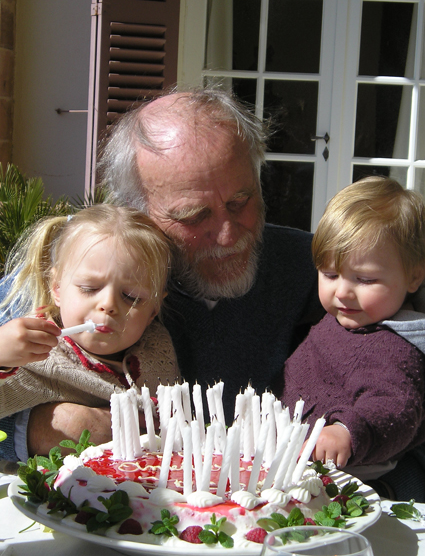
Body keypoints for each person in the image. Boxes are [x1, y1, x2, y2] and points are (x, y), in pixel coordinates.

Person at [0, 87, 323, 462]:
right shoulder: (84, 266)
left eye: (240, 201)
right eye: (193, 215)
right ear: (137, 211)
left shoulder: (314, 267)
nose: (228, 234)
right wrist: (37, 431)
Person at [281, 176, 425, 500]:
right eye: (330, 274)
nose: (342, 291)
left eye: (365, 279)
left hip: (353, 481)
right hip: (297, 457)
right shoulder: (346, 321)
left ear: (414, 275)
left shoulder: (393, 347)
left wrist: (347, 431)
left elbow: (395, 408)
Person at [0, 204, 179, 456]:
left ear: (153, 310)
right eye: (89, 288)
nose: (108, 305)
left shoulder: (157, 346)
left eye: (131, 297)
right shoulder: (40, 352)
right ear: (57, 288)